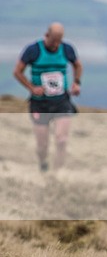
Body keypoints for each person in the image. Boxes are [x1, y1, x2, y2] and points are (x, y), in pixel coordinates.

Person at [13, 22, 83, 172]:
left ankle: (58, 173)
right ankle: (43, 165)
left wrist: (76, 83)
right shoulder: (33, 50)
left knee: (61, 140)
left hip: (61, 101)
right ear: (47, 35)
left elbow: (78, 65)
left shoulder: (67, 49)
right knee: (42, 145)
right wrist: (32, 88)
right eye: (53, 41)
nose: (56, 44)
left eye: (59, 41)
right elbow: (17, 72)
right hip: (40, 104)